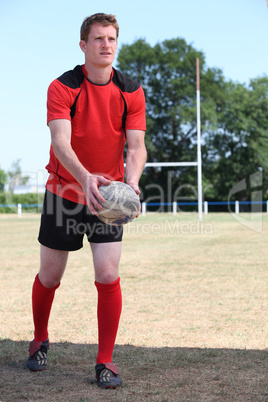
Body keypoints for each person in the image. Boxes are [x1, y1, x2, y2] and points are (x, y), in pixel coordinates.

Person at [27, 13, 147, 389]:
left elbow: (137, 146)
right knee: (50, 276)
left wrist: (130, 182)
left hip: (108, 198)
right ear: (84, 45)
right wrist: (85, 179)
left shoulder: (131, 90)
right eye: (98, 39)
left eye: (111, 38)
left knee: (108, 275)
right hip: (64, 192)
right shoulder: (63, 86)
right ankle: (39, 340)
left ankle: (105, 361)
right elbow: (61, 143)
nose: (106, 45)